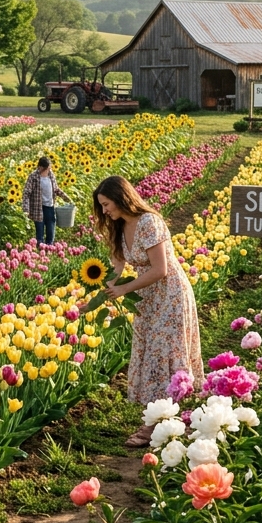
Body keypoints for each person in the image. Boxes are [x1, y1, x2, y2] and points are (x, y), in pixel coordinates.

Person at [92, 175, 203, 448]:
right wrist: (92, 298)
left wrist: (124, 290)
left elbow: (160, 269)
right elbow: (115, 271)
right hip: (147, 298)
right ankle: (169, 416)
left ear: (121, 198)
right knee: (150, 354)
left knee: (164, 353)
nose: (105, 211)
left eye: (106, 204)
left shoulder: (149, 222)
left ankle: (154, 425)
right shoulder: (119, 228)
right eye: (102, 206)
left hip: (171, 295)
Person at [22, 155, 68, 245]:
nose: (48, 170)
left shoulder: (51, 175)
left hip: (50, 207)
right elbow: (26, 193)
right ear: (40, 167)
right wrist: (26, 209)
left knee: (51, 231)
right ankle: (41, 251)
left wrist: (66, 197)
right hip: (38, 208)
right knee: (40, 232)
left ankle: (49, 249)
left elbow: (56, 189)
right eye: (47, 168)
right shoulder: (33, 177)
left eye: (49, 168)